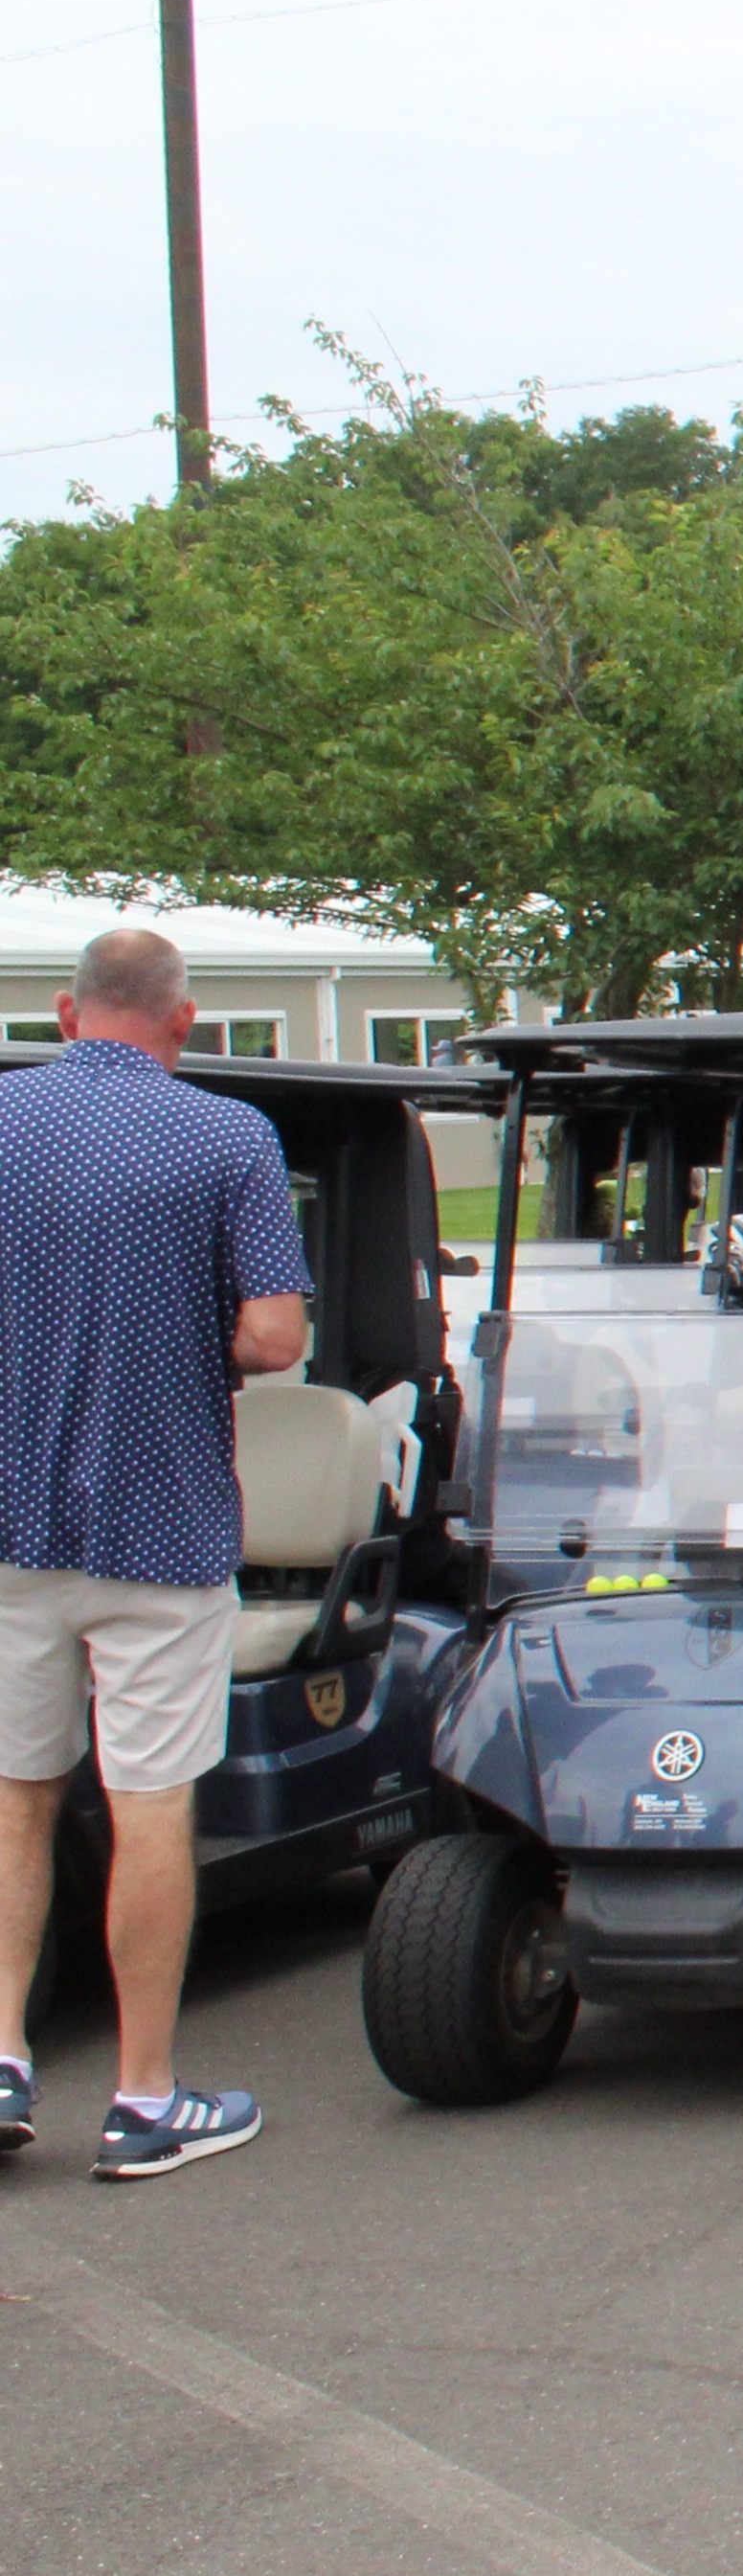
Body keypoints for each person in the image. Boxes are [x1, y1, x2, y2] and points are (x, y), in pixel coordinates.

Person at [0, 926, 309, 2179]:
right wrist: (185, 1326)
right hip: (161, 1527)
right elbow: (275, 1337)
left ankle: (2, 2058)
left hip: (8, 1523)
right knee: (149, 1807)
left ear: (66, 1011)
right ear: (183, 1022)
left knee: (14, 1800)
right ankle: (143, 2098)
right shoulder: (230, 1137)